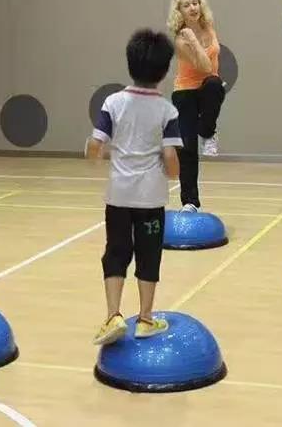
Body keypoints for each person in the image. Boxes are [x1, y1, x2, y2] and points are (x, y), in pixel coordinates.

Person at [86, 29, 182, 345]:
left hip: (118, 196)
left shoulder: (113, 102)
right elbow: (170, 157)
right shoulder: (167, 110)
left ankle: (113, 315)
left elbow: (95, 146)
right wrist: (174, 174)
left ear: (130, 64)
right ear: (164, 71)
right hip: (150, 199)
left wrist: (97, 156)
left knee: (115, 253)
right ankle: (145, 319)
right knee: (148, 256)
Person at [167, 0, 226, 212]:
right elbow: (205, 66)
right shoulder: (181, 40)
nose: (193, 8)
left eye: (195, 3)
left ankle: (208, 132)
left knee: (214, 84)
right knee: (187, 149)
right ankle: (190, 202)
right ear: (180, 12)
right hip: (185, 93)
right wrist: (192, 39)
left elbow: (211, 72)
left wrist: (197, 39)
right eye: (187, 5)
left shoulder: (209, 27)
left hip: (208, 88)